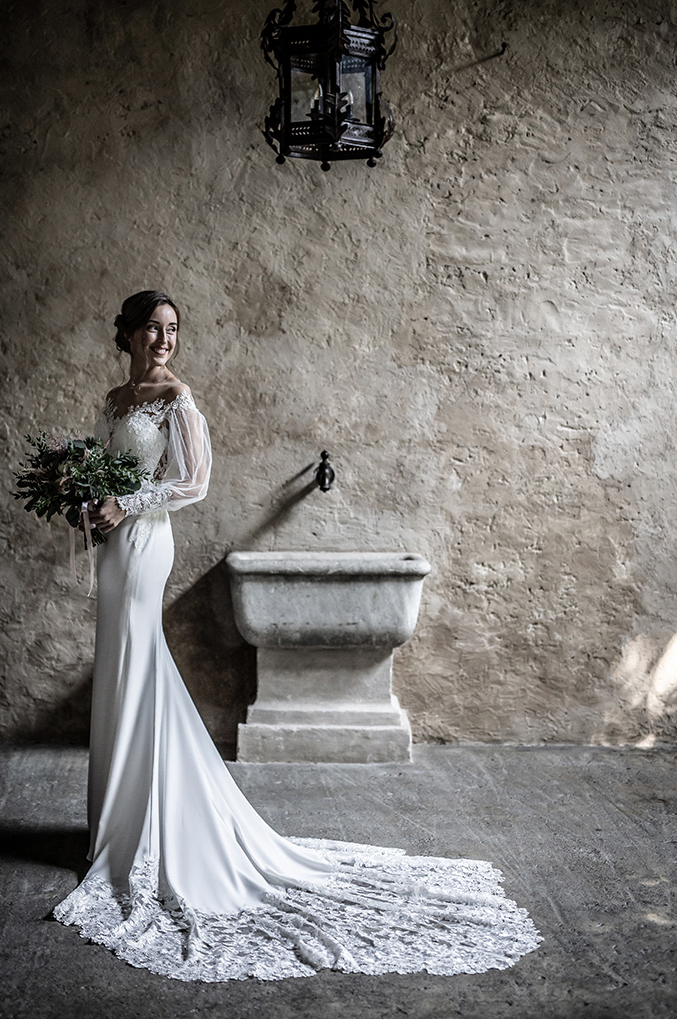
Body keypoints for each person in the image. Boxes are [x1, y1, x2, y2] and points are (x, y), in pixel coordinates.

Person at [54, 290, 541, 982]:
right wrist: (87, 498)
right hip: (112, 545)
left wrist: (126, 503)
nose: (164, 341)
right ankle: (119, 820)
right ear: (126, 333)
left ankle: (151, 827)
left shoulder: (178, 398)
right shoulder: (114, 397)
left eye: (173, 331)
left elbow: (193, 481)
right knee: (121, 666)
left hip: (145, 543)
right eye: (153, 330)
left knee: (140, 663)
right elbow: (109, 465)